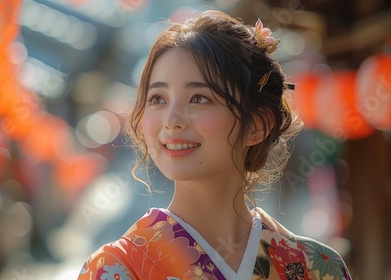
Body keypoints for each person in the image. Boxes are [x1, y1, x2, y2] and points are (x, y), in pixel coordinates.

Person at [78, 10, 351, 280]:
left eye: (198, 98)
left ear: (257, 125)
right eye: (158, 99)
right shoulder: (114, 269)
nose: (171, 120)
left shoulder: (318, 267)